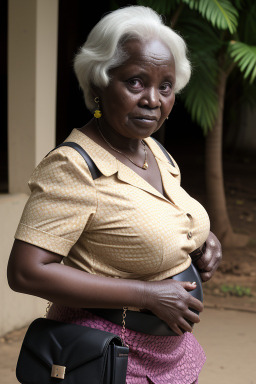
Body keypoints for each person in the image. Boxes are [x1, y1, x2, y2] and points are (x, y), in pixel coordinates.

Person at [7, 6, 222, 384]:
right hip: (105, 354)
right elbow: (26, 271)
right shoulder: (74, 167)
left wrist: (201, 239)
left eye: (165, 86)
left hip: (169, 354)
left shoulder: (153, 151)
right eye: (135, 82)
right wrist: (146, 295)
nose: (153, 100)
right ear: (99, 83)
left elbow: (155, 217)